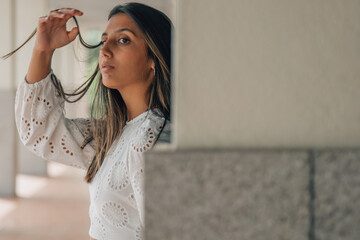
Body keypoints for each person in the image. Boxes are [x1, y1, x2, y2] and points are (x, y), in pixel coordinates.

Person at [12, 2, 172, 240]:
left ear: (154, 58)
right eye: (104, 39)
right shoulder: (114, 131)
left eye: (123, 40)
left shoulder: (149, 137)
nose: (104, 51)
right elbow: (39, 133)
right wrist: (43, 50)